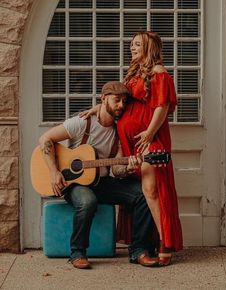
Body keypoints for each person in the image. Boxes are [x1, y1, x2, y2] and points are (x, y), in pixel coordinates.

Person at [81, 32, 183, 266]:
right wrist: (98, 108)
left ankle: (164, 241)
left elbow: (162, 106)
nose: (132, 47)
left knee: (152, 191)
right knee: (139, 192)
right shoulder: (135, 73)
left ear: (149, 47)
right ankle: (144, 245)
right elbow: (120, 100)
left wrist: (148, 132)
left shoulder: (159, 73)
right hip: (130, 142)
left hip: (149, 139)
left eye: (137, 44)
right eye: (132, 44)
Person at [39, 81, 158, 269]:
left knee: (142, 193)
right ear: (103, 99)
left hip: (101, 182)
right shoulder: (82, 122)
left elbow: (116, 170)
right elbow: (45, 138)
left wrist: (128, 166)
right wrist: (54, 172)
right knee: (87, 201)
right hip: (73, 184)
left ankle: (139, 250)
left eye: (124, 101)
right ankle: (77, 253)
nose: (121, 105)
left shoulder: (118, 132)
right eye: (117, 100)